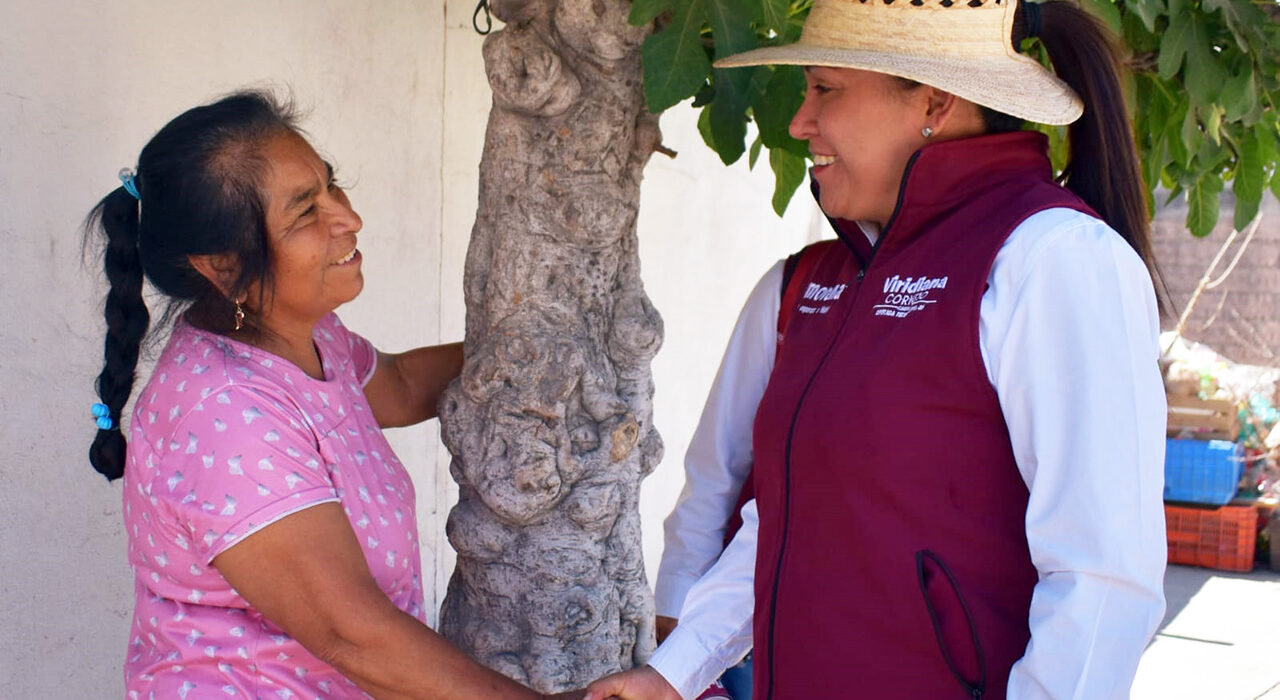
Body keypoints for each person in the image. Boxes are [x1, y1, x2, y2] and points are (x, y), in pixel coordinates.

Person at [589, 0, 1168, 698]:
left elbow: (1103, 578)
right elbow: (793, 521)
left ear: (935, 100)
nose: (800, 122)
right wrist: (676, 674)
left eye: (824, 88)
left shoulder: (1053, 259)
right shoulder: (847, 274)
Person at [87, 91, 574, 700]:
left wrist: (540, 345)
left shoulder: (310, 337)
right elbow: (352, 634)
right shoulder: (222, 410)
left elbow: (397, 386)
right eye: (304, 212)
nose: (347, 218)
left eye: (331, 186)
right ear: (222, 266)